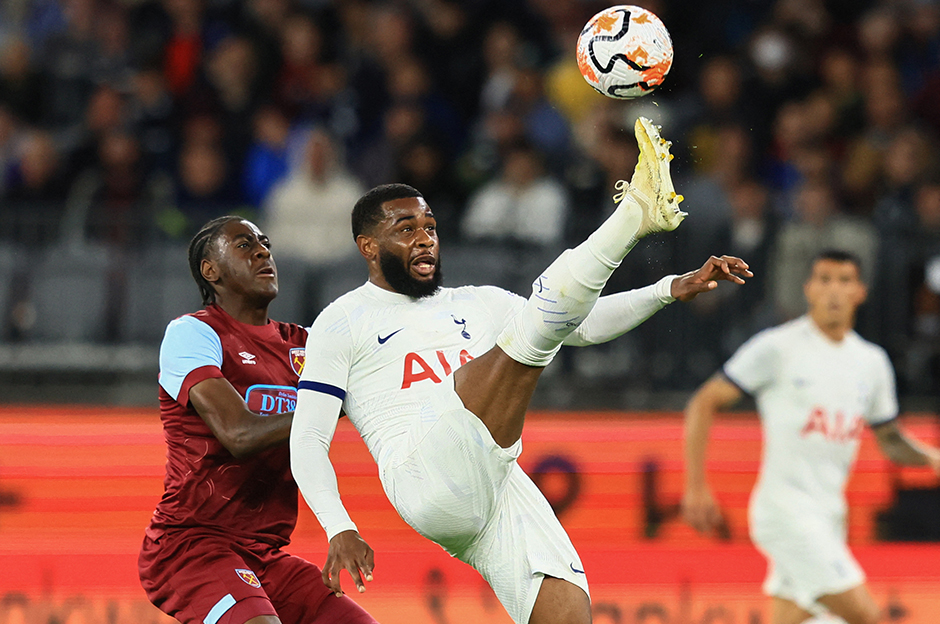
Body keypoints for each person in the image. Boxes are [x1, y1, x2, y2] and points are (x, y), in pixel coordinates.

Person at [289, 117, 752, 624]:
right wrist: (338, 527)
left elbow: (580, 325)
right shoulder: (340, 320)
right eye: (406, 230)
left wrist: (667, 289)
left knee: (570, 613)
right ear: (368, 247)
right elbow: (308, 437)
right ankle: (635, 215)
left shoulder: (478, 301)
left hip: (497, 481)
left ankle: (638, 214)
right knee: (516, 344)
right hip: (421, 474)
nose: (425, 240)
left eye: (430, 228)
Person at [138, 215, 378, 624]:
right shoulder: (193, 334)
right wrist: (335, 401)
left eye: (264, 243)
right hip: (191, 545)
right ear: (210, 270)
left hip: (265, 556)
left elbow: (382, 382)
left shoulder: (306, 345)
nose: (263, 251)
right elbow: (239, 433)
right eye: (244, 245)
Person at [681, 249, 940, 624]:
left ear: (860, 292)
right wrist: (696, 485)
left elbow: (890, 440)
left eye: (844, 280)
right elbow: (703, 402)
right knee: (866, 616)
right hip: (785, 513)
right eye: (825, 279)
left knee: (796, 618)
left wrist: (931, 458)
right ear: (808, 289)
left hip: (829, 516)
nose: (834, 290)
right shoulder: (777, 347)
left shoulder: (872, 362)